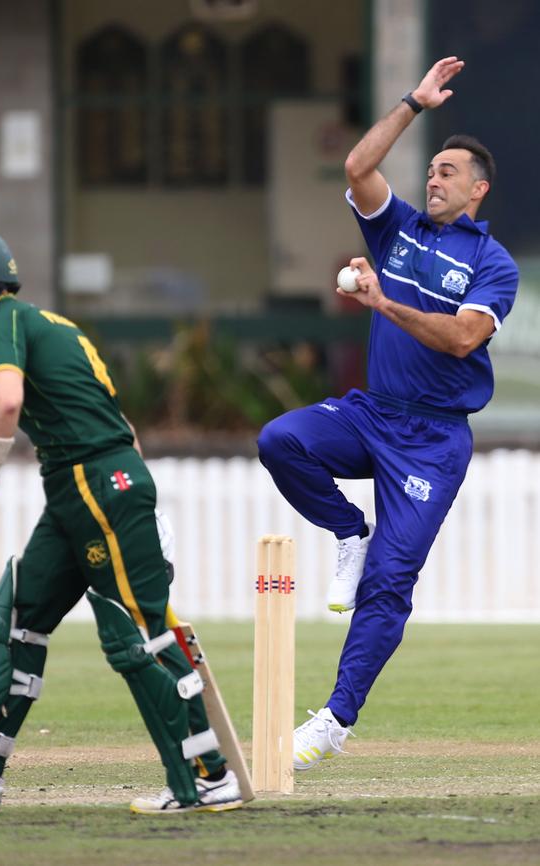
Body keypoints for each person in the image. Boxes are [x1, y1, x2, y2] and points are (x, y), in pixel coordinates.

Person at [0, 224, 243, 814]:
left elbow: (5, 400)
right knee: (17, 619)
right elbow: (120, 422)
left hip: (93, 484)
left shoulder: (0, 319)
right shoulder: (51, 323)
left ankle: (209, 776)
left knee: (138, 632)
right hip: (85, 484)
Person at [257, 56, 518, 769]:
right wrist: (413, 103)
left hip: (433, 442)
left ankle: (334, 722)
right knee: (282, 440)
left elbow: (464, 338)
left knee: (390, 584)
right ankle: (349, 531)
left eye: (448, 171)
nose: (433, 177)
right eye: (430, 168)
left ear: (478, 188)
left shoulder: (494, 265)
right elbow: (357, 166)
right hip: (373, 413)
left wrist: (383, 304)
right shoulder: (396, 229)